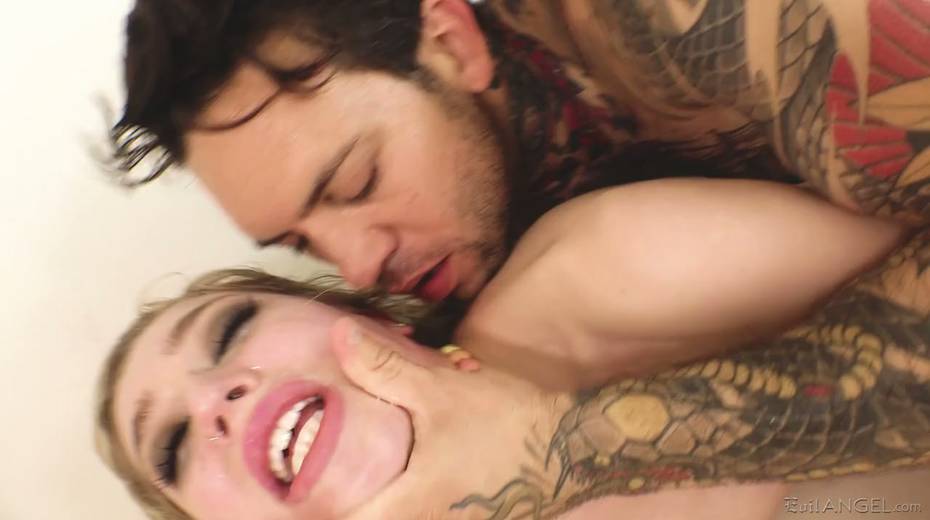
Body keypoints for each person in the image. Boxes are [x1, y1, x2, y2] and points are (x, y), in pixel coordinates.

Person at [108, 0, 930, 487]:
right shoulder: (488, 302)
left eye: (356, 182)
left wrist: (570, 453)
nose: (358, 267)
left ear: (451, 41)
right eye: (301, 243)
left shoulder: (692, 21)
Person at [97, 179, 916, 519]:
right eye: (172, 447)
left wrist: (569, 444)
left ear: (373, 316)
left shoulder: (590, 281)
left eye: (230, 331)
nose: (213, 399)